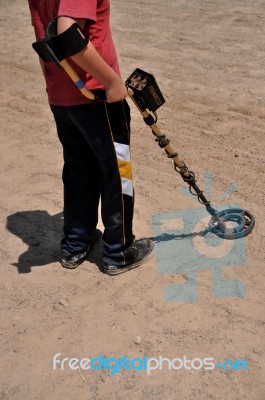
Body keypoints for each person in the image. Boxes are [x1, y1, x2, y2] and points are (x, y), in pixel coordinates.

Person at [27, 0, 154, 274]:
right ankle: (119, 251)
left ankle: (76, 244)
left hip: (61, 94)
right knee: (116, 171)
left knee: (78, 169)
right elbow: (67, 31)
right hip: (94, 93)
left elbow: (43, 33)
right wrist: (111, 81)